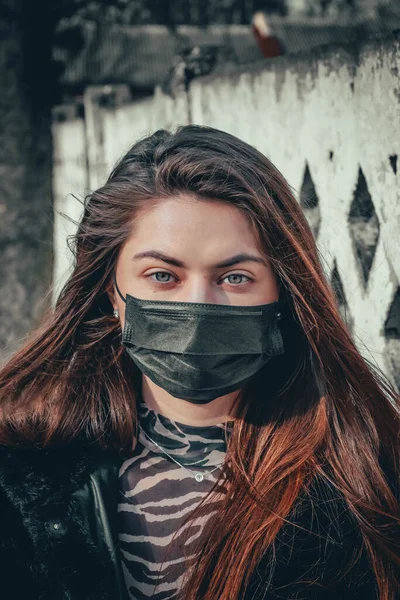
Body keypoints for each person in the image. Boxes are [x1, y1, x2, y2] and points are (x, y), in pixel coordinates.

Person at [0, 125, 398, 600]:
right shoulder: (23, 474)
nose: (198, 307)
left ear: (283, 293)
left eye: (234, 276)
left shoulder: (363, 480)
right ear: (111, 290)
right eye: (163, 275)